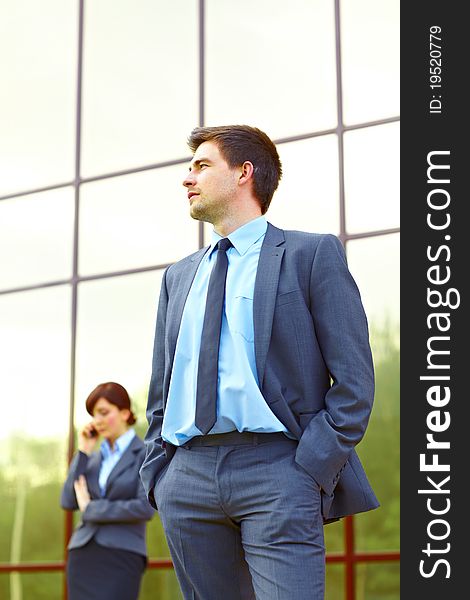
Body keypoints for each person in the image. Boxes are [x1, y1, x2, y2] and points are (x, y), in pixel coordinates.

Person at [140, 125, 379, 600]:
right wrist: (159, 473)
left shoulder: (311, 254)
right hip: (186, 478)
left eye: (202, 166)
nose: (187, 179)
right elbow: (162, 390)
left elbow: (354, 382)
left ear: (245, 172)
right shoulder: (178, 277)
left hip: (278, 469)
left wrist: (309, 467)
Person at [61, 382, 155, 600]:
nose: (98, 421)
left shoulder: (145, 454)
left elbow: (144, 508)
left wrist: (92, 509)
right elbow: (67, 500)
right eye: (94, 415)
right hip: (83, 554)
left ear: (125, 413)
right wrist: (83, 451)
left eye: (104, 412)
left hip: (122, 554)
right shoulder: (92, 460)